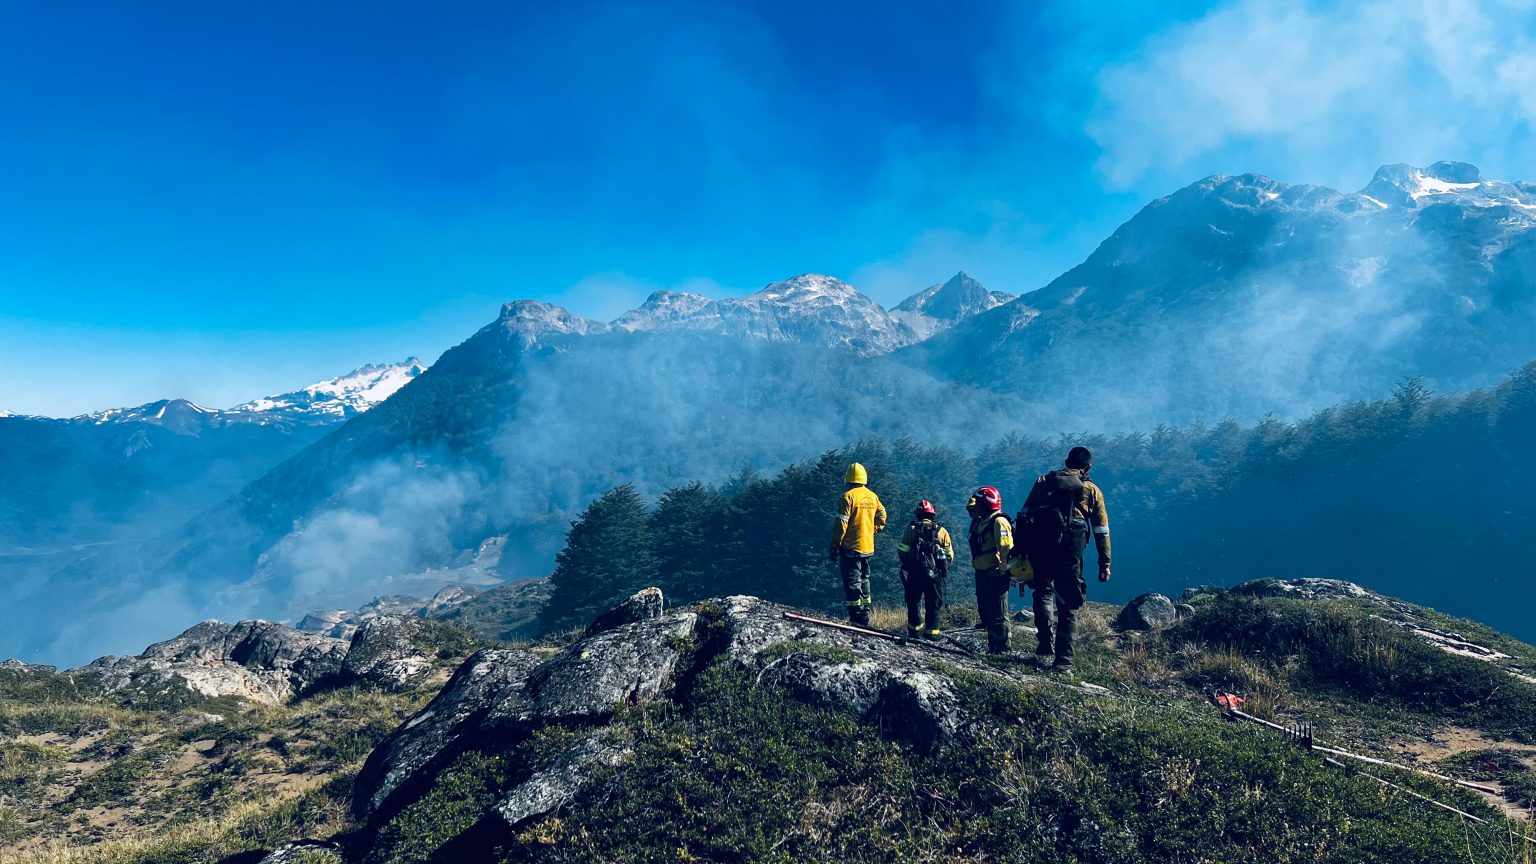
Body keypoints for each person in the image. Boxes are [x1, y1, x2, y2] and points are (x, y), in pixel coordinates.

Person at [1015, 446, 1111, 673]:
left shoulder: (1043, 482)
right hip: (1070, 551)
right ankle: (1063, 662)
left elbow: (1024, 514)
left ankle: (1044, 643)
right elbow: (1101, 530)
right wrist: (1104, 563)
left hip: (1041, 548)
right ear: (1087, 467)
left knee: (1043, 592)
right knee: (1068, 605)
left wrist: (1021, 549)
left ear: (1066, 461)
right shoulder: (1091, 490)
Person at [828, 462, 887, 626]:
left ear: (848, 479)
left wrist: (835, 545)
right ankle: (866, 612)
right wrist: (873, 529)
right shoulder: (872, 496)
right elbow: (882, 515)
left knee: (852, 581)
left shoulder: (847, 497)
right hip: (867, 547)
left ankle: (856, 616)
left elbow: (841, 525)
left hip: (850, 548)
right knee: (865, 579)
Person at [895, 500, 955, 639]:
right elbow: (950, 555)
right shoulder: (941, 531)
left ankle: (915, 631)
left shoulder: (912, 529)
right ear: (932, 515)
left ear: (918, 515)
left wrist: (908, 564)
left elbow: (902, 551)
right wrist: (941, 569)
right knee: (933, 603)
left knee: (913, 601)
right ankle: (932, 633)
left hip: (915, 573)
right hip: (936, 575)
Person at [966, 485, 1014, 654]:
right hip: (982, 573)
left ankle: (1002, 649)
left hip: (996, 574)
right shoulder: (981, 521)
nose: (975, 506)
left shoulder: (999, 521)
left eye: (978, 503)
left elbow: (1006, 548)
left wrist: (1002, 569)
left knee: (999, 613)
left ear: (986, 504)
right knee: (986, 611)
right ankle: (993, 645)